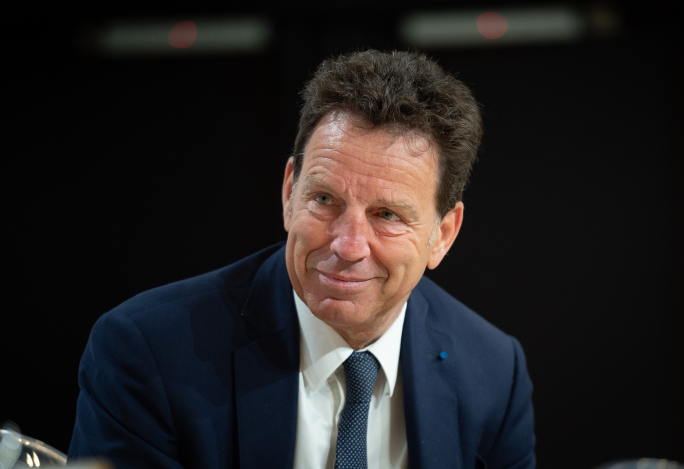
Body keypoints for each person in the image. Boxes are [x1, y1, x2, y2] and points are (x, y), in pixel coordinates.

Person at [69, 50, 535, 469]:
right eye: (325, 199)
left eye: (387, 214)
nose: (347, 246)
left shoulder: (494, 372)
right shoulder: (148, 352)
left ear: (443, 234)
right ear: (290, 191)